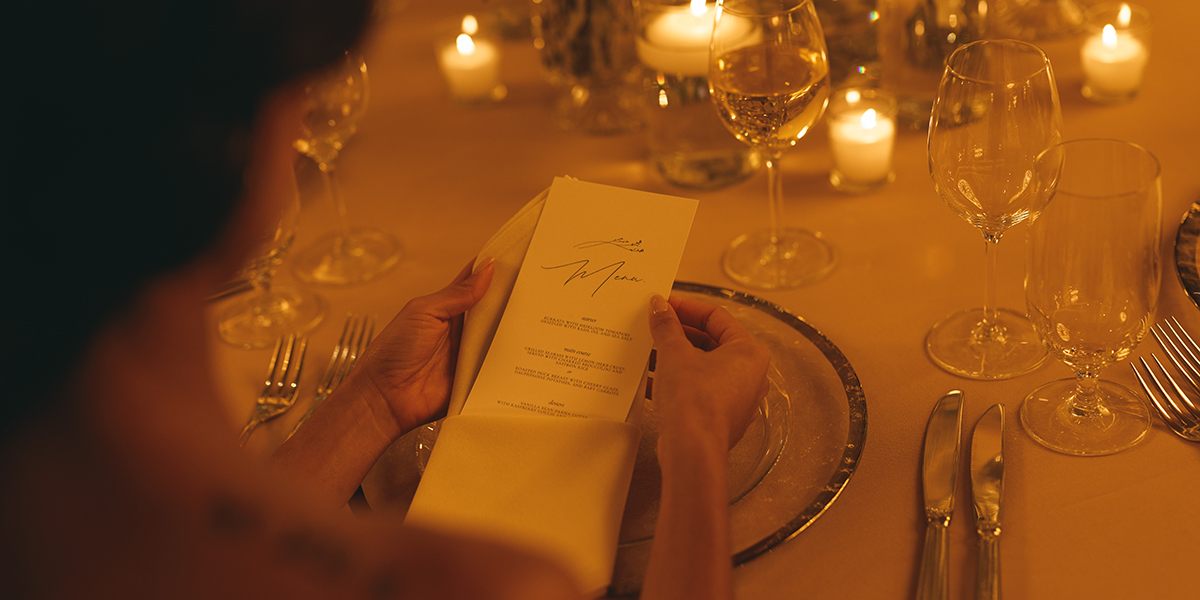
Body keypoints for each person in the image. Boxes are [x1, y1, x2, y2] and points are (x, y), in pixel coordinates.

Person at [1, 1, 770, 599]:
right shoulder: (479, 588)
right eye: (295, 88)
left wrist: (372, 402)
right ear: (222, 145)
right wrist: (696, 440)